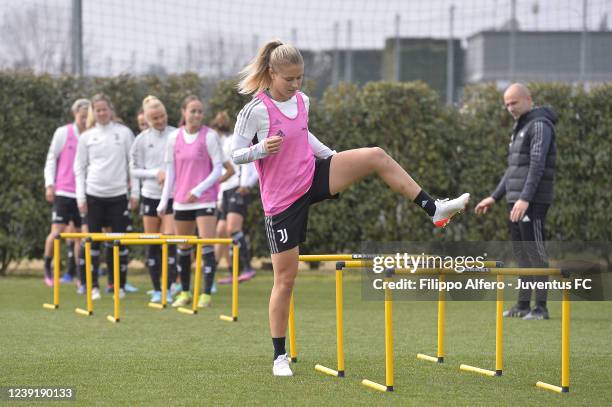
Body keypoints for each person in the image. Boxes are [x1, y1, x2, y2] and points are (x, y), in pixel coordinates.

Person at [232, 40, 470, 376]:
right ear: (271, 73)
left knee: (375, 155)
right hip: (282, 201)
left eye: (301, 78)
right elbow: (235, 153)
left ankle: (434, 209)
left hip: (312, 176)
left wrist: (333, 157)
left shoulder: (303, 100)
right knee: (285, 278)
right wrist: (260, 150)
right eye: (289, 79)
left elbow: (304, 135)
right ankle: (279, 356)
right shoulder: (255, 110)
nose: (296, 85)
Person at [475, 83, 557, 321]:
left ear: (528, 100)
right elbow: (514, 169)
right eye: (507, 104)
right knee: (521, 254)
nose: (510, 108)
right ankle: (522, 305)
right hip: (515, 200)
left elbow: (537, 164)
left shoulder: (540, 125)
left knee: (536, 252)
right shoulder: (519, 127)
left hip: (532, 201)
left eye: (514, 102)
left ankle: (540, 308)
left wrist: (525, 198)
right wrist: (494, 196)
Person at [157, 95, 227, 308]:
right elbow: (171, 172)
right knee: (183, 247)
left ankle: (205, 293)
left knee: (206, 246)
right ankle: (185, 292)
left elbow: (218, 169)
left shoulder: (210, 136)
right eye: (192, 111)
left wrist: (198, 190)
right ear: (184, 112)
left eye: (199, 111)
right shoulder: (174, 138)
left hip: (204, 200)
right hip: (180, 202)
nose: (196, 115)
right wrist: (163, 202)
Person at [74, 93, 139, 300]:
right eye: (98, 110)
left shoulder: (124, 133)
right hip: (93, 196)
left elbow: (133, 165)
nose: (102, 113)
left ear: (111, 110)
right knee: (92, 243)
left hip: (119, 196)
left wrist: (135, 193)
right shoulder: (86, 137)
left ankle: (117, 285)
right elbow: (79, 169)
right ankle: (92, 287)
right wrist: (80, 198)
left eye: (105, 109)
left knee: (117, 244)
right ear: (94, 112)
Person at [130, 96, 176, 304]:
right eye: (155, 118)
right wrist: (155, 173)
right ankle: (157, 289)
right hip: (150, 195)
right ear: (148, 120)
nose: (160, 120)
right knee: (152, 242)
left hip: (172, 197)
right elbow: (133, 169)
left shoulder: (176, 135)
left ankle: (169, 286)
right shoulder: (141, 140)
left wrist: (170, 175)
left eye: (162, 116)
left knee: (169, 240)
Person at [43, 98, 90, 286]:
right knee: (57, 232)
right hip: (63, 190)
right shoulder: (63, 132)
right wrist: (49, 184)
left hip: (83, 193)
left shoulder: (91, 136)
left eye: (88, 117)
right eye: (82, 117)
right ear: (75, 114)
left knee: (80, 234)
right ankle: (48, 269)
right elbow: (51, 159)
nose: (85, 120)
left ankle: (80, 275)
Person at [211, 111, 259, 285]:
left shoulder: (234, 140)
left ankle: (247, 268)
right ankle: (229, 272)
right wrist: (218, 198)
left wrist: (247, 184)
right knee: (221, 232)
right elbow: (222, 173)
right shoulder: (219, 144)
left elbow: (249, 163)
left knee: (233, 228)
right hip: (225, 192)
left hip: (238, 189)